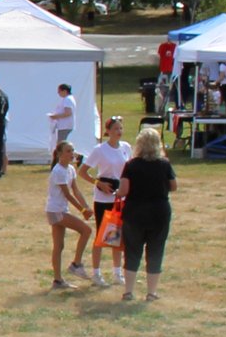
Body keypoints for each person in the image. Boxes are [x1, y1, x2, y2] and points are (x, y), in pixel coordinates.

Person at [113, 126, 177, 301]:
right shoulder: (164, 164)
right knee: (156, 250)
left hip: (135, 212)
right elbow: (174, 186)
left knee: (132, 251)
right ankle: (151, 292)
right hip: (159, 211)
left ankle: (128, 291)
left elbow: (124, 190)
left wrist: (116, 192)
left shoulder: (131, 165)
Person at [80, 115, 129, 287]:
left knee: (118, 235)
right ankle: (96, 273)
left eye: (120, 128)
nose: (119, 132)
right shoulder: (100, 150)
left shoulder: (125, 148)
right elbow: (83, 171)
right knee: (102, 235)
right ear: (107, 131)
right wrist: (98, 183)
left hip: (119, 197)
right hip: (103, 198)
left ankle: (117, 272)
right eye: (115, 129)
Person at [43, 139, 95, 288]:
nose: (72, 154)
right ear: (59, 154)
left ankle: (58, 280)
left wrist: (86, 206)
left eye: (72, 151)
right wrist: (82, 211)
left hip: (60, 210)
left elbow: (76, 190)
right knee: (86, 230)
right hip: (55, 210)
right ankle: (76, 264)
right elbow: (67, 194)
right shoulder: (58, 170)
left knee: (59, 246)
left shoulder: (71, 170)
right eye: (68, 151)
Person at [48, 82, 76, 157]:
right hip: (64, 125)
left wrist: (55, 116)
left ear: (64, 91)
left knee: (61, 145)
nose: (58, 93)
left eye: (59, 91)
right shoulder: (67, 99)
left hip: (65, 125)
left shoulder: (68, 99)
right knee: (62, 144)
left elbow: (68, 113)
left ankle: (62, 159)